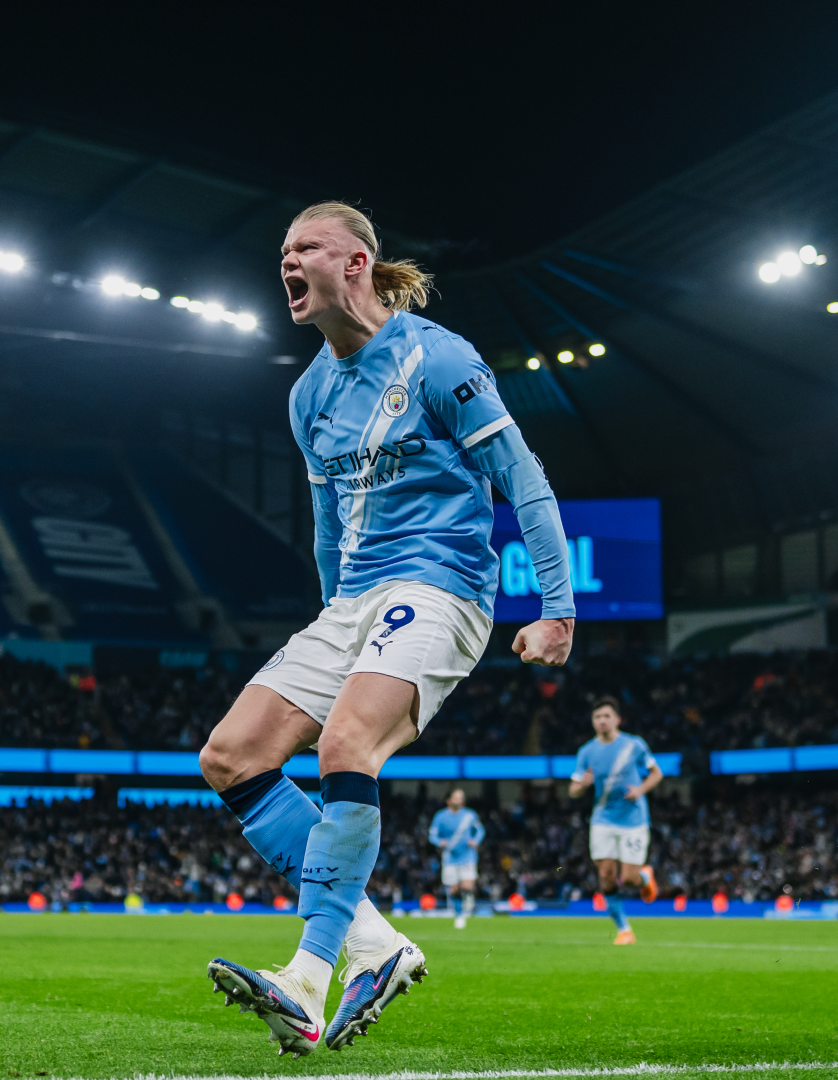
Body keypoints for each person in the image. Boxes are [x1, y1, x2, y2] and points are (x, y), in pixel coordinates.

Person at [198, 201, 576, 1056]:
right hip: (354, 602)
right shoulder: (308, 396)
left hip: (442, 587)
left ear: (356, 263)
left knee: (345, 747)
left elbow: (525, 479)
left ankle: (306, 976)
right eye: (282, 253)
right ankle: (376, 944)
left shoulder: (439, 359)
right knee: (231, 754)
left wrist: (556, 607)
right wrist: (336, 614)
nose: (286, 263)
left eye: (305, 249)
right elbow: (328, 523)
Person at [568, 697, 663, 945]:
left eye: (606, 716)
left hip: (633, 819)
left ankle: (645, 877)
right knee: (606, 876)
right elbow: (572, 789)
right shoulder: (586, 751)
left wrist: (640, 790)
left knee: (630, 878)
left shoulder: (634, 745)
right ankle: (624, 929)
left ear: (617, 719)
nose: (601, 721)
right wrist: (582, 785)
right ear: (592, 722)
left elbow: (657, 773)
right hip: (602, 819)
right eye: (597, 717)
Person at [428, 788, 485, 929]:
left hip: (467, 855)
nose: (460, 800)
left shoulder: (469, 815)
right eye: (457, 797)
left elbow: (480, 831)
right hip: (450, 857)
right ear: (449, 800)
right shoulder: (440, 816)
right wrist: (440, 842)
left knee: (467, 886)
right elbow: (432, 836)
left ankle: (465, 908)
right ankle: (459, 914)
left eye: (461, 797)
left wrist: (475, 841)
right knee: (454, 889)